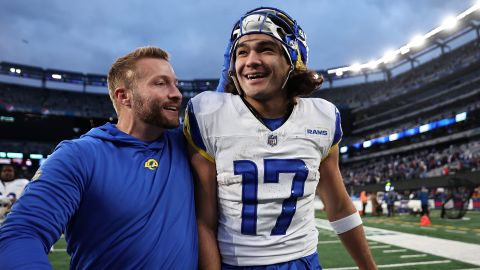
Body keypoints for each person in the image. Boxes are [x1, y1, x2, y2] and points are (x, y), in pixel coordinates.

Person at [185, 7, 376, 269]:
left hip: (303, 261)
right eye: (242, 52)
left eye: (266, 49)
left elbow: (340, 206)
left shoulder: (322, 117)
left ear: (293, 61)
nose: (250, 60)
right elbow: (204, 221)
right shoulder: (209, 114)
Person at [0, 46, 198, 269]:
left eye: (175, 83)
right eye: (160, 83)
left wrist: (243, 32)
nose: (177, 94)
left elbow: (225, 96)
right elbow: (22, 233)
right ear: (124, 96)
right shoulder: (80, 156)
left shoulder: (186, 142)